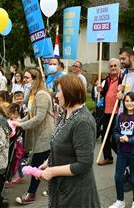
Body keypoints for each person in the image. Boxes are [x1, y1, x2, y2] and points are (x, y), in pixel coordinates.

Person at [37, 74, 100, 207]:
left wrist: (52, 171)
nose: (56, 95)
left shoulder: (82, 122)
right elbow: (62, 146)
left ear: (69, 92)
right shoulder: (65, 113)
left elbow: (84, 164)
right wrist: (48, 162)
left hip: (77, 193)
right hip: (62, 187)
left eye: (59, 91)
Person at [13, 67, 54, 205]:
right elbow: (30, 115)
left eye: (27, 78)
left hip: (45, 135)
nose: (24, 80)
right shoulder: (33, 93)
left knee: (37, 165)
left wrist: (21, 125)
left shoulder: (41, 94)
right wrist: (18, 121)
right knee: (47, 165)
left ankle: (31, 194)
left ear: (36, 80)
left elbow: (39, 118)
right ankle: (55, 190)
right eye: (24, 77)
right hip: (39, 135)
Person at [109, 92, 134, 208]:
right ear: (123, 102)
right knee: (118, 176)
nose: (129, 103)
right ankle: (120, 201)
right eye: (126, 101)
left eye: (132, 101)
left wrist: (129, 139)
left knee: (133, 177)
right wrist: (118, 138)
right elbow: (115, 132)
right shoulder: (120, 116)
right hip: (122, 152)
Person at [96, 58, 122, 166]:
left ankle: (122, 156)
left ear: (119, 66)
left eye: (115, 65)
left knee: (114, 138)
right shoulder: (108, 79)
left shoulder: (123, 78)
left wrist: (123, 90)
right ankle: (108, 157)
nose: (113, 68)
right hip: (107, 112)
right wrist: (101, 90)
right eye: (111, 66)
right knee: (105, 135)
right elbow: (106, 94)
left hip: (118, 113)